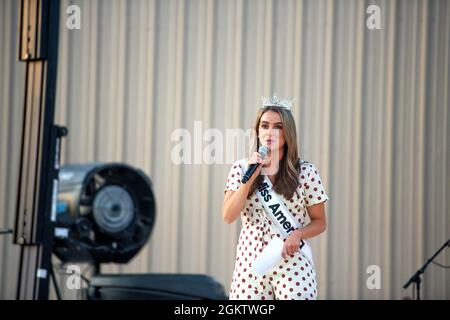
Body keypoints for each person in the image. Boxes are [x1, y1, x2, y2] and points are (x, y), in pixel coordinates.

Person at [222, 94, 328, 300]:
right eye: (264, 126)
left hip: (292, 261)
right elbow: (228, 216)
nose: (270, 132)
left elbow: (320, 222)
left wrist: (298, 235)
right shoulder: (241, 168)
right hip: (251, 264)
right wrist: (249, 180)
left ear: (288, 133)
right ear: (257, 130)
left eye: (278, 127)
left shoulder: (305, 171)